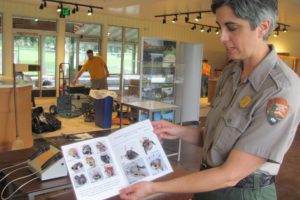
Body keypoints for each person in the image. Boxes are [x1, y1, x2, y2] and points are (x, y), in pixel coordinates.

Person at [119, 0, 300, 199]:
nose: (222, 37)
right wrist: (178, 131)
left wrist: (154, 188)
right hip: (208, 183)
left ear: (262, 27)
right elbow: (217, 138)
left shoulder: (280, 90)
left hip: (243, 193)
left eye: (231, 28)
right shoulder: (231, 72)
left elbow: (230, 175)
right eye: (220, 27)